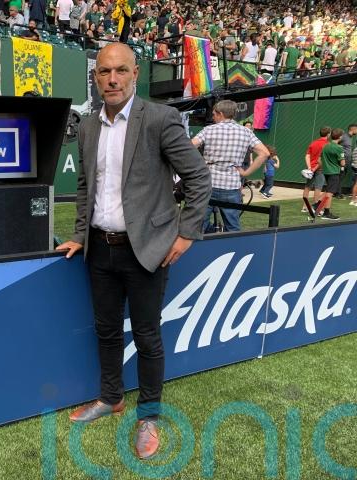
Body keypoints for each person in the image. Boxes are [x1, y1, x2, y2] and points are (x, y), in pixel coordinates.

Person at [56, 43, 211, 460]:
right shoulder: (88, 127)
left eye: (120, 70)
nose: (112, 79)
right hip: (99, 249)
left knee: (147, 336)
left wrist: (186, 234)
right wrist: (80, 234)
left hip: (147, 250)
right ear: (95, 77)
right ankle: (111, 398)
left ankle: (149, 416)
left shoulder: (160, 118)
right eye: (104, 72)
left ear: (135, 73)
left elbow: (198, 178)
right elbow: (86, 187)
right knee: (106, 330)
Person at [191, 100, 270, 233]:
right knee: (233, 227)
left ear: (221, 114)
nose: (213, 117)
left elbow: (188, 147)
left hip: (207, 184)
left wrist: (198, 165)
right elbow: (265, 153)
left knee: (199, 227)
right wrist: (246, 173)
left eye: (214, 114)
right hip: (231, 186)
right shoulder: (246, 132)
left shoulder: (208, 130)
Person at [301, 126, 330, 213]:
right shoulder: (327, 144)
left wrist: (309, 167)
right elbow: (321, 160)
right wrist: (313, 168)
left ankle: (304, 207)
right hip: (320, 169)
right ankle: (316, 208)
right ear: (328, 134)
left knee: (307, 187)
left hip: (312, 168)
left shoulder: (313, 143)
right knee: (318, 188)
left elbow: (307, 155)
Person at [319, 128, 346, 220]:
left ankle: (317, 205)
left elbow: (319, 160)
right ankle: (326, 213)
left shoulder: (325, 146)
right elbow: (343, 163)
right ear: (340, 137)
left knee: (328, 191)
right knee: (330, 193)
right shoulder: (339, 148)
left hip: (326, 172)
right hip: (334, 172)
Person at [338, 124, 357, 199]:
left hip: (347, 162)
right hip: (342, 161)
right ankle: (338, 193)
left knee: (341, 177)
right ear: (353, 129)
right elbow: (335, 143)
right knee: (340, 176)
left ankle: (337, 192)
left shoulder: (350, 137)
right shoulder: (344, 136)